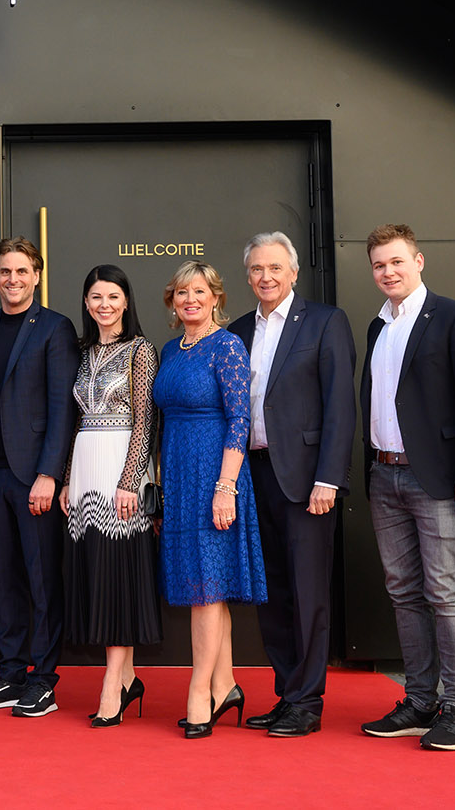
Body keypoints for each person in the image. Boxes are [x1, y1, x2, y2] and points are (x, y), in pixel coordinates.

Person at [358, 224, 455, 752]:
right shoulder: (378, 326)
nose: (388, 271)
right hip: (384, 474)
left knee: (446, 592)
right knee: (403, 592)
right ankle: (419, 702)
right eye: (379, 265)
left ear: (419, 261)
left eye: (397, 261)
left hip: (438, 478)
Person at [225, 233, 355, 738]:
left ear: (294, 272)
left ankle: (307, 701)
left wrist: (329, 478)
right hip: (253, 478)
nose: (266, 276)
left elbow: (340, 406)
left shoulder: (324, 322)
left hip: (306, 481)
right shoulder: (238, 330)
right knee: (273, 593)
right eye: (257, 268)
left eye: (276, 267)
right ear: (248, 275)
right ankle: (286, 694)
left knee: (308, 592)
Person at [0, 236, 78, 718]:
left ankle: (43, 679)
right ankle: (10, 673)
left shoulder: (55, 328)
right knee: (5, 579)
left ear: (37, 276)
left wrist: (50, 474)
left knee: (42, 579)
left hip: (34, 477)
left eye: (22, 271)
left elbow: (62, 408)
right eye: (5, 271)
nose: (13, 279)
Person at [152, 259, 266, 739]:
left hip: (215, 476)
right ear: (172, 301)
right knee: (207, 587)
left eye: (200, 291)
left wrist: (225, 487)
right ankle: (226, 684)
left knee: (207, 589)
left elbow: (240, 419)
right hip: (180, 477)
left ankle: (200, 690)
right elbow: (161, 422)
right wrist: (160, 485)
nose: (190, 300)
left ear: (216, 297)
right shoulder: (170, 350)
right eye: (182, 292)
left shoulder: (228, 345)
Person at [57, 264, 160, 727]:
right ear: (86, 302)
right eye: (96, 297)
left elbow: (145, 421)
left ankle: (111, 684)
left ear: (126, 301)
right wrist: (66, 478)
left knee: (119, 574)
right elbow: (75, 421)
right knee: (98, 573)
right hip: (85, 471)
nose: (105, 305)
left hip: (121, 470)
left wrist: (130, 479)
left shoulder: (140, 350)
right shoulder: (80, 353)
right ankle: (128, 677)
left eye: (113, 297)